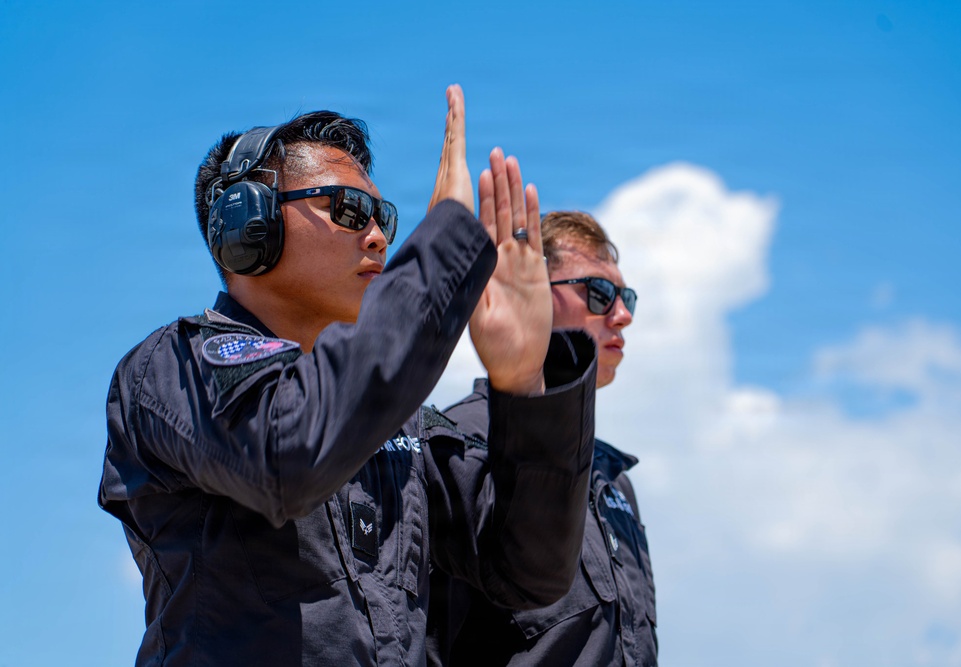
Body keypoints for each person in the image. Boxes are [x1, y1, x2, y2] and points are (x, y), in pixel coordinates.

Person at [99, 86, 598, 666]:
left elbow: (528, 572)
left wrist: (524, 384)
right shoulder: (174, 368)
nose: (379, 236)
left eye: (383, 217)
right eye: (348, 209)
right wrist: (444, 251)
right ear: (249, 223)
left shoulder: (401, 424)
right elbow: (290, 453)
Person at [427, 211, 657, 666]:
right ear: (529, 289)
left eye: (626, 296)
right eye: (600, 293)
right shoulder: (458, 444)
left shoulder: (614, 480)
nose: (623, 316)